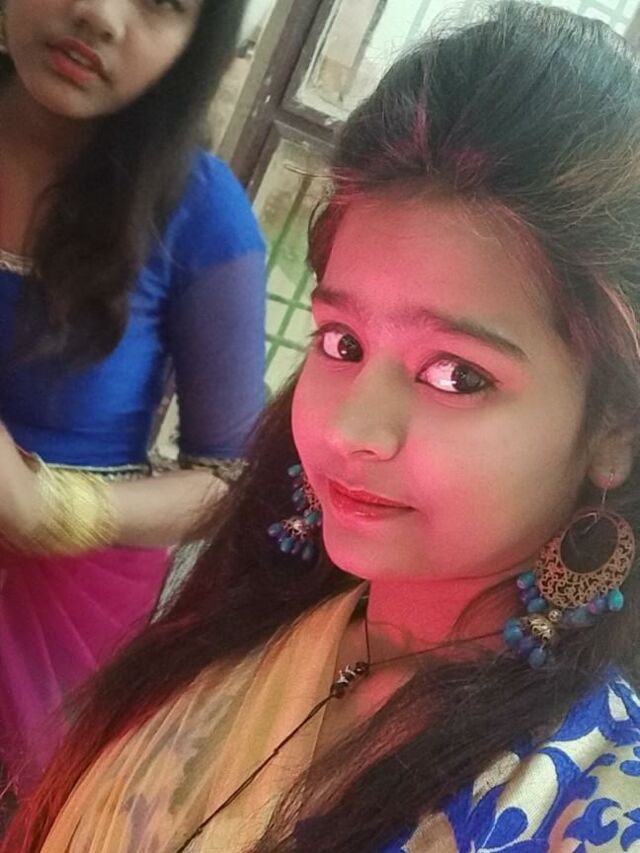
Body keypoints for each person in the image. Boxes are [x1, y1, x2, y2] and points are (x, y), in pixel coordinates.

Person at [5, 1, 640, 849]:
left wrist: (54, 509)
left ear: (616, 426)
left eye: (457, 374)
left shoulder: (595, 804)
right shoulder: (257, 622)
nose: (350, 427)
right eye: (342, 341)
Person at [0, 0, 266, 793]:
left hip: (50, 615)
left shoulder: (203, 218)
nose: (99, 14)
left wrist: (48, 511)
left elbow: (230, 481)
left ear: (197, 43)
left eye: (162, 2)